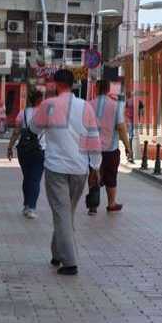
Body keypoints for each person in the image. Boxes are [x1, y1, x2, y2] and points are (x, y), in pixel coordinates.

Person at [30, 69, 101, 276]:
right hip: (80, 168)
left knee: (62, 213)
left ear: (56, 84)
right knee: (65, 213)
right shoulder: (85, 107)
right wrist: (95, 166)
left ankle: (70, 262)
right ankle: (57, 253)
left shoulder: (48, 105)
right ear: (72, 84)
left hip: (56, 168)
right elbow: (93, 136)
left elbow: (34, 128)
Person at [86, 80, 133, 215]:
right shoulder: (115, 106)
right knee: (111, 176)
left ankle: (93, 205)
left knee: (94, 174)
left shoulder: (89, 105)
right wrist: (127, 147)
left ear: (96, 89)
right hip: (110, 149)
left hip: (93, 149)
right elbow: (121, 127)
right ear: (108, 90)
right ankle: (111, 203)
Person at [7, 89, 45, 219]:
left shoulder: (23, 113)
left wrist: (10, 147)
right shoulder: (45, 113)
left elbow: (16, 132)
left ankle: (26, 205)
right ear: (40, 99)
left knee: (27, 177)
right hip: (39, 150)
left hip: (23, 149)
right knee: (35, 179)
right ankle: (31, 207)